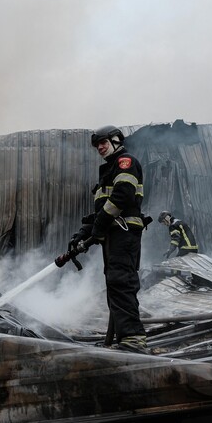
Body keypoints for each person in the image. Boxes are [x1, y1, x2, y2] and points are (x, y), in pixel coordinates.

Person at [70, 125, 149, 354]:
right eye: (97, 145)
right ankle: (115, 339)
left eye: (103, 142)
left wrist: (99, 226)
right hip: (114, 234)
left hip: (123, 233)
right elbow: (102, 211)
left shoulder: (126, 162)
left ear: (116, 140)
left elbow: (122, 197)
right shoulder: (108, 170)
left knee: (121, 282)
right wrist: (83, 233)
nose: (100, 148)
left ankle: (134, 340)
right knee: (114, 283)